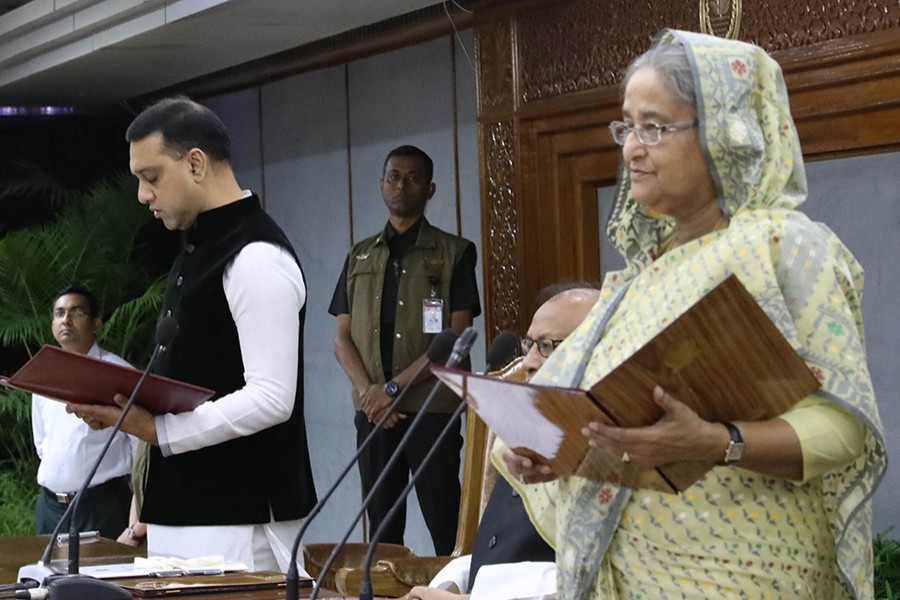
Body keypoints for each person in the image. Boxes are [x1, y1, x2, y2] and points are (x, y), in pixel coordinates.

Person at [500, 30, 886, 599]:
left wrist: (713, 441)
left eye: (654, 127)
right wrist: (556, 452)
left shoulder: (786, 247)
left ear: (727, 134)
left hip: (742, 576)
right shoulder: (637, 279)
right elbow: (620, 425)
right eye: (625, 127)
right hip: (629, 577)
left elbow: (843, 429)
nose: (631, 147)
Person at [70, 96, 317, 570]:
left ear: (197, 163)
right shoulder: (196, 248)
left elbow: (271, 397)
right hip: (183, 512)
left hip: (240, 518)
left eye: (152, 177)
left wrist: (158, 429)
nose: (143, 195)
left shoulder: (256, 255)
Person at [329, 145, 482, 555]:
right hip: (374, 414)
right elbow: (341, 339)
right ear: (381, 184)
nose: (401, 184)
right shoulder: (359, 254)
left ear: (430, 189)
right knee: (381, 529)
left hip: (431, 408)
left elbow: (455, 338)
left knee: (445, 521)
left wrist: (391, 389)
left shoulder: (455, 253)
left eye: (413, 177)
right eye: (394, 175)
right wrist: (371, 395)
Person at [406, 284, 600, 600]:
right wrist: (452, 582)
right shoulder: (518, 439)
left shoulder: (618, 452)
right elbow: (501, 552)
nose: (528, 363)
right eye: (530, 345)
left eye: (547, 346)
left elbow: (592, 584)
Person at [31, 285, 134, 541]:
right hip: (50, 508)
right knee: (49, 580)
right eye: (59, 313)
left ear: (96, 323)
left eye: (76, 312)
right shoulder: (42, 375)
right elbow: (42, 443)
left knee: (100, 580)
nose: (65, 319)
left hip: (101, 505)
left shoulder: (119, 374)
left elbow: (142, 445)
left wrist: (135, 524)